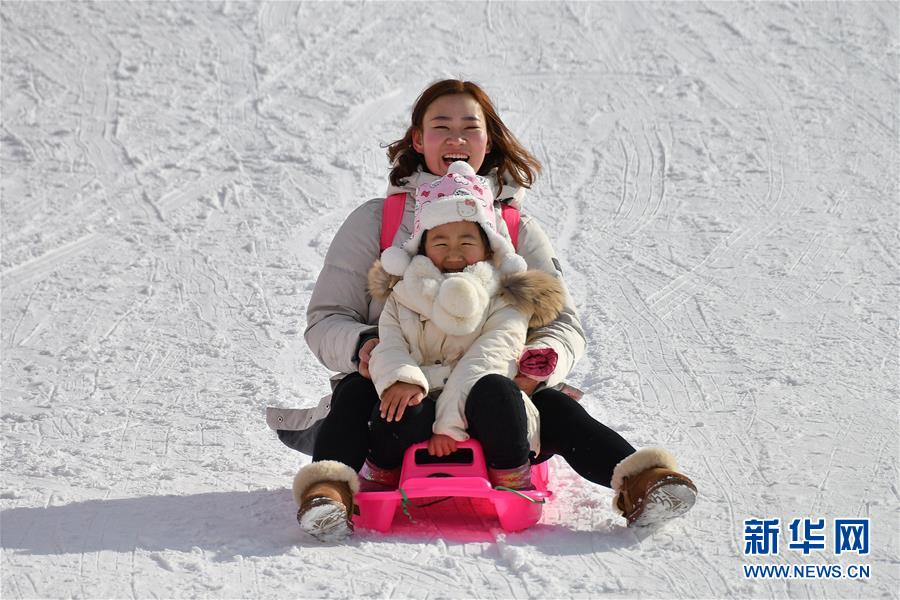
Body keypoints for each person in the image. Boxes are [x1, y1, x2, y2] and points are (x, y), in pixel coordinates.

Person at [278, 80, 696, 541]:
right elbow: (326, 320)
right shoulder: (378, 222)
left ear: (487, 140)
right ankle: (328, 496)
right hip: (395, 390)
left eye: (469, 128)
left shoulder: (515, 229)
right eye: (441, 126)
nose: (456, 139)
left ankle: (643, 483)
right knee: (353, 399)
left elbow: (559, 322)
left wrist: (542, 361)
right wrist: (365, 348)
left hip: (494, 390)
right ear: (419, 140)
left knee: (553, 408)